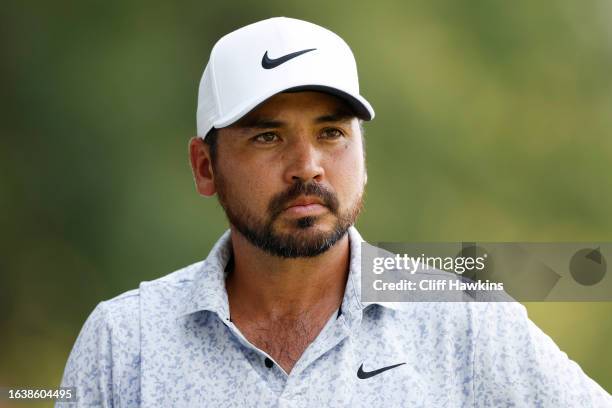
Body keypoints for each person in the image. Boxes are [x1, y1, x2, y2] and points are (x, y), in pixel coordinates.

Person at [57, 17, 611, 407]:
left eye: (332, 133)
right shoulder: (123, 343)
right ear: (205, 167)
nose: (308, 166)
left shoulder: (464, 321)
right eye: (268, 136)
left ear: (363, 155)